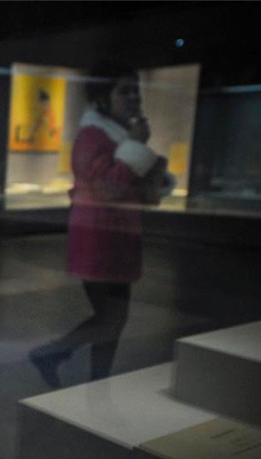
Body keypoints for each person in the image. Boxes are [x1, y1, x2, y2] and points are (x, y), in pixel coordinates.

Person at [31, 62, 174, 386]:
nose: (134, 97)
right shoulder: (92, 137)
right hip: (100, 241)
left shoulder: (113, 135)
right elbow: (110, 188)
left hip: (116, 239)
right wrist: (136, 147)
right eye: (124, 91)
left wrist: (142, 156)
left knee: (113, 319)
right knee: (112, 318)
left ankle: (94, 379)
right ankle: (53, 354)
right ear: (102, 97)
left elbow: (135, 189)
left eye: (136, 90)